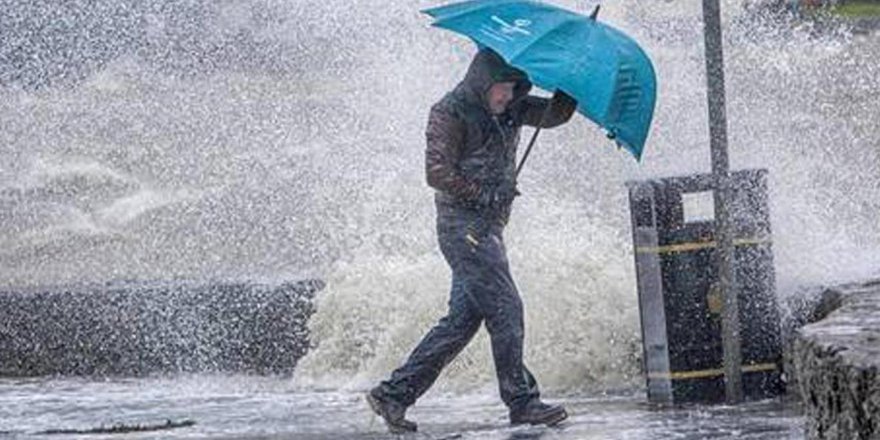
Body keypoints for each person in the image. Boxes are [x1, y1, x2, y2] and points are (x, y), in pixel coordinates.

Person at [366, 48, 577, 434]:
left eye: (514, 87)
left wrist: (570, 84)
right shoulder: (449, 111)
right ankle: (522, 402)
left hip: (489, 228)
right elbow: (436, 172)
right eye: (502, 88)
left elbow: (553, 115)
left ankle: (393, 394)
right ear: (483, 82)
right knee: (507, 308)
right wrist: (484, 194)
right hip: (462, 229)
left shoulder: (512, 107)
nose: (508, 96)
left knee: (461, 322)